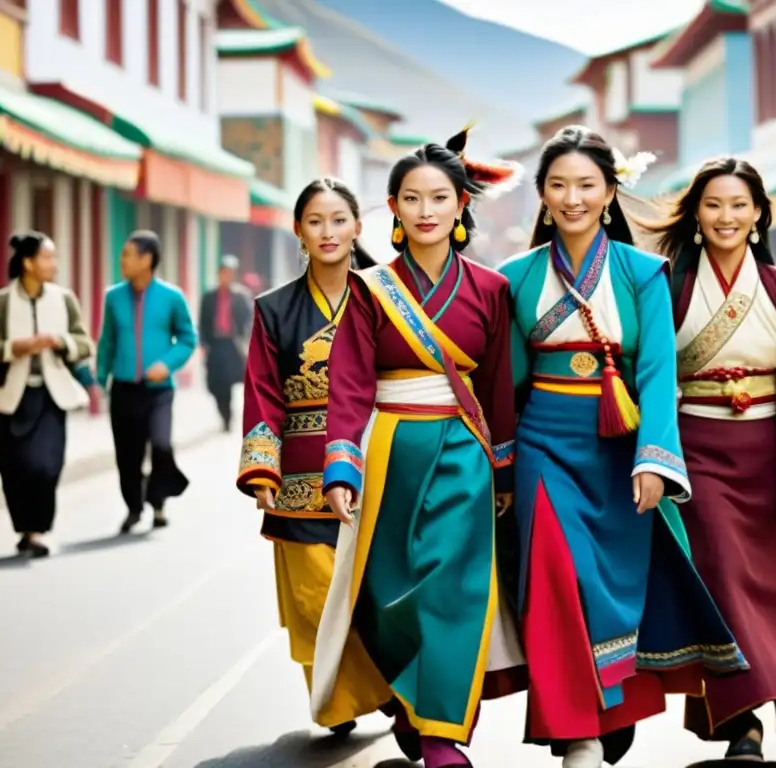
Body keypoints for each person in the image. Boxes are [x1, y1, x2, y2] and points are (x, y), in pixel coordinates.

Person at [499, 126, 746, 768]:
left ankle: (611, 703)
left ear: (610, 192)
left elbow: (659, 374)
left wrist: (655, 460)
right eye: (558, 185)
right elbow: (507, 384)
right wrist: (500, 464)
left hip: (620, 448)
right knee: (556, 578)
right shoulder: (516, 278)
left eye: (586, 185)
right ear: (543, 197)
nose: (573, 197)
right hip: (544, 449)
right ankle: (575, 730)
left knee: (610, 586)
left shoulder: (643, 274)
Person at [310, 125, 525, 768]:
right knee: (385, 591)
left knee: (452, 590)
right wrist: (342, 463)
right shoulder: (370, 288)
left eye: (439, 198)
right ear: (393, 208)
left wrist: (504, 470)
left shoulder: (491, 289)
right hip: (388, 449)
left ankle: (441, 735)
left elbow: (498, 387)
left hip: (463, 451)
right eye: (411, 198)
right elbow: (348, 382)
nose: (426, 211)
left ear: (461, 206)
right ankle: (406, 694)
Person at [641, 157, 776, 761]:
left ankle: (741, 718)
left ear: (759, 214)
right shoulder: (668, 283)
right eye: (713, 205)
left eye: (739, 205)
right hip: (696, 453)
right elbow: (651, 371)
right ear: (696, 215)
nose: (726, 217)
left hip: (765, 454)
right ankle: (745, 726)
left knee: (767, 591)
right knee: (723, 580)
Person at [236, 178, 389, 737]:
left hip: (377, 465)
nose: (328, 231)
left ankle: (390, 690)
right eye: (315, 221)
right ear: (299, 230)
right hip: (300, 477)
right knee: (315, 598)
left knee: (376, 593)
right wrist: (261, 467)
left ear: (357, 226)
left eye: (338, 219)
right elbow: (262, 393)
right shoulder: (273, 309)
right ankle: (346, 696)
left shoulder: (387, 299)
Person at [0, 232, 93, 557]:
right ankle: (25, 529)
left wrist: (60, 341)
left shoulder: (64, 299)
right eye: (47, 258)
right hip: (10, 399)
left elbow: (84, 344)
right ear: (28, 263)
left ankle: (39, 529)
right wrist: (18, 347)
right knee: (12, 466)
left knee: (44, 466)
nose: (53, 264)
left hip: (50, 399)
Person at [96, 230, 196, 533]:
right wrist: (100, 379)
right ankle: (134, 508)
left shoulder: (172, 297)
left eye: (127, 254)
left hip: (159, 391)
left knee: (162, 444)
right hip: (124, 389)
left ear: (146, 259)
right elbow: (107, 342)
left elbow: (187, 339)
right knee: (128, 454)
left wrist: (166, 364)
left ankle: (159, 499)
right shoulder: (113, 297)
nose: (121, 260)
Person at [199, 255, 252, 432]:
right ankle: (223, 410)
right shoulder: (208, 297)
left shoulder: (241, 296)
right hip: (214, 344)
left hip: (232, 344)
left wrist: (245, 340)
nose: (226, 276)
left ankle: (228, 416)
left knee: (228, 381)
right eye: (223, 272)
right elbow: (203, 323)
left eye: (229, 273)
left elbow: (249, 321)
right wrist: (203, 344)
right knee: (214, 384)